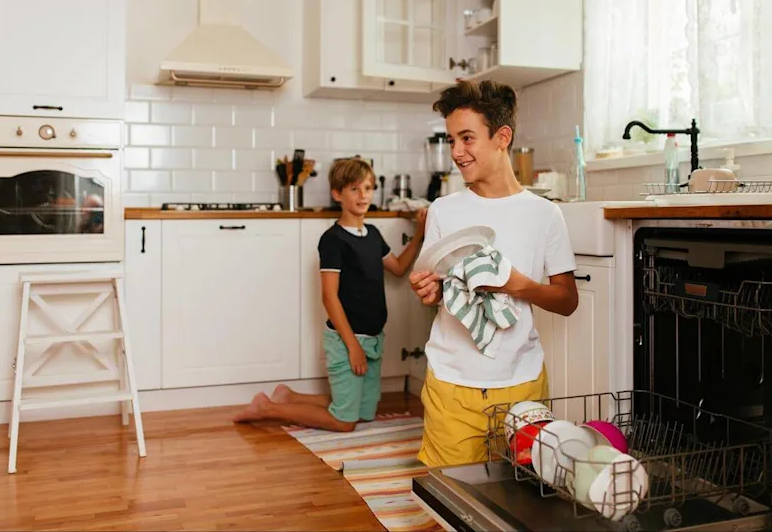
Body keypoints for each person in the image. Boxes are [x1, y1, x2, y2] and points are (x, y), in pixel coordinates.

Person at [409, 79, 579, 467]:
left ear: (502, 137)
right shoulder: (443, 211)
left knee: (524, 496)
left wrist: (520, 286)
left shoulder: (544, 214)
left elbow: (568, 301)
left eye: (467, 138)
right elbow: (434, 293)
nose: (456, 152)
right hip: (451, 381)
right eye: (452, 140)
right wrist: (430, 292)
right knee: (450, 495)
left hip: (522, 382)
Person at [234, 157, 426, 431]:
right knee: (345, 422)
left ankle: (291, 396)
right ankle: (268, 408)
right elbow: (329, 297)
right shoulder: (333, 240)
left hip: (373, 340)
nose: (363, 196)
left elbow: (397, 267)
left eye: (368, 188)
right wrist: (353, 347)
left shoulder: (372, 234)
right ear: (338, 194)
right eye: (355, 189)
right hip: (346, 340)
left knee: (364, 413)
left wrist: (419, 234)